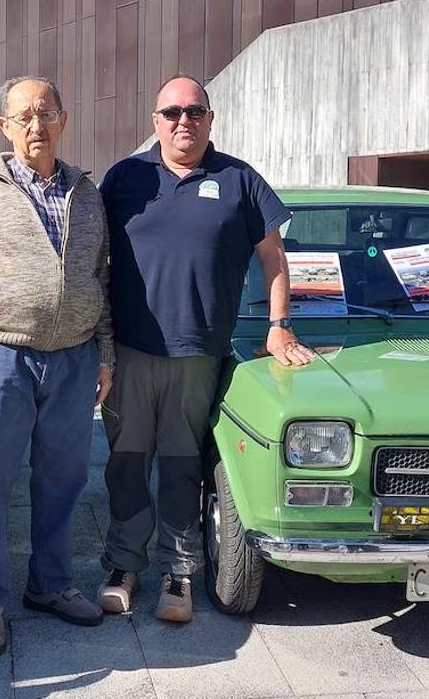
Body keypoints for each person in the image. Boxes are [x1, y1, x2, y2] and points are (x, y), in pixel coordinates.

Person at [97, 73, 316, 623]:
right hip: (128, 351)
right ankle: (123, 567)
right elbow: (92, 260)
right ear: (155, 121)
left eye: (194, 111)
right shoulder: (125, 179)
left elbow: (274, 256)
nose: (183, 122)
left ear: (210, 119)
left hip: (199, 355)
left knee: (180, 467)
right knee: (126, 465)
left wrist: (279, 324)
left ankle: (179, 572)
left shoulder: (239, 180)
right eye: (171, 113)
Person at [0, 75, 115, 656]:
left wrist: (105, 355)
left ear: (63, 119)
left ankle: (51, 585)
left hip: (74, 357)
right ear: (6, 127)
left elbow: (101, 279)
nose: (37, 125)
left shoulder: (87, 192)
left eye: (46, 112)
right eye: (24, 116)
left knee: (63, 480)